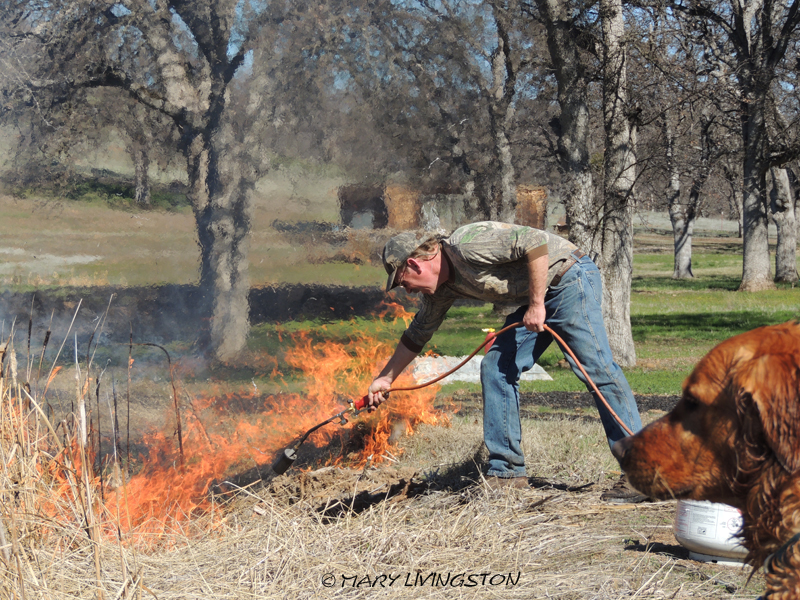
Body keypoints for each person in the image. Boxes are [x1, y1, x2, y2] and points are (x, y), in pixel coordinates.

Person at [366, 221, 646, 503]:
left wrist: (537, 305)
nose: (409, 292)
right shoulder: (443, 290)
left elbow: (535, 243)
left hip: (569, 278)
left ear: (415, 264)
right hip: (540, 296)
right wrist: (386, 378)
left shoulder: (466, 244)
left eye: (404, 283)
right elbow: (418, 334)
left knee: (595, 370)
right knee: (496, 366)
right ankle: (506, 473)